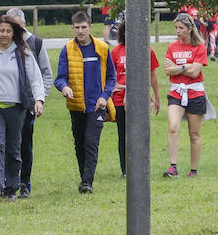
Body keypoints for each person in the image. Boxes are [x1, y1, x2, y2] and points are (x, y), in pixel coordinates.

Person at [54, 12, 116, 194]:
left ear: (90, 27)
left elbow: (111, 77)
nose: (80, 31)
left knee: (91, 142)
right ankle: (84, 177)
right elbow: (60, 78)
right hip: (76, 105)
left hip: (97, 105)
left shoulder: (102, 48)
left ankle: (87, 182)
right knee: (80, 143)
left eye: (84, 27)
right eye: (77, 27)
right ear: (72, 28)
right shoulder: (67, 49)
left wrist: (104, 95)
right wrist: (64, 87)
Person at [0, 15, 46, 202]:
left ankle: (11, 188)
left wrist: (39, 100)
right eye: (1, 30)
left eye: (8, 31)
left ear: (14, 33)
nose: (4, 34)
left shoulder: (23, 53)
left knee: (14, 148)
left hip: (16, 108)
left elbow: (35, 79)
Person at [1, 9, 51, 197]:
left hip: (27, 105)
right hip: (3, 104)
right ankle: (5, 180)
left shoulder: (35, 43)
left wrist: (39, 99)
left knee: (24, 144)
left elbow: (45, 74)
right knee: (2, 143)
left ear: (23, 24)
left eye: (16, 26)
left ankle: (24, 182)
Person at [106, 20, 160, 178]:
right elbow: (110, 76)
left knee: (140, 133)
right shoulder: (116, 51)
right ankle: (125, 169)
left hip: (140, 97)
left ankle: (142, 167)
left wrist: (157, 98)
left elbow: (152, 75)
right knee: (123, 134)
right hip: (119, 98)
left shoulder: (146, 50)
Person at [162, 14, 208, 178]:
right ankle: (173, 167)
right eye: (176, 28)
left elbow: (196, 72)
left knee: (194, 134)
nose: (178, 31)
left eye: (181, 28)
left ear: (190, 29)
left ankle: (193, 170)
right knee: (173, 127)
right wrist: (185, 66)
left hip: (195, 94)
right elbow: (167, 70)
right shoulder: (172, 47)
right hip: (176, 93)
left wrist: (178, 67)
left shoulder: (200, 47)